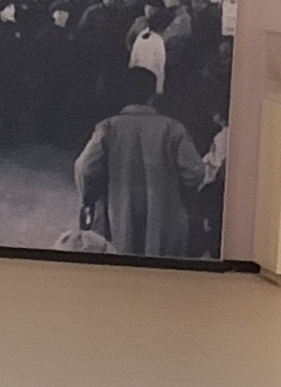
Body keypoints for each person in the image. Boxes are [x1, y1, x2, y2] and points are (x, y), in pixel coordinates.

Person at [75, 69, 219, 260]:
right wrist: (180, 194)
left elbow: (85, 168)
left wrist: (90, 197)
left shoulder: (108, 128)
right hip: (165, 219)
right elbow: (195, 171)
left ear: (123, 94)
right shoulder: (173, 129)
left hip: (116, 219)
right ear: (153, 94)